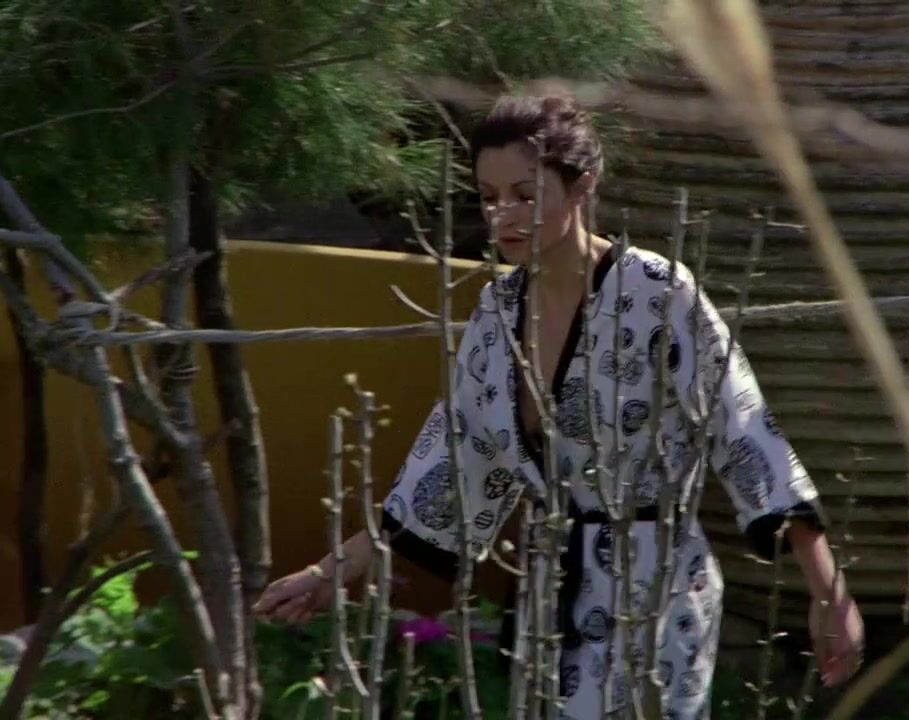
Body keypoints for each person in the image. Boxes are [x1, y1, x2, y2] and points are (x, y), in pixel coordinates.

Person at [253, 94, 864, 719]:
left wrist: (829, 594)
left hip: (659, 593)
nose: (504, 215)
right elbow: (451, 467)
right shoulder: (497, 313)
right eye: (489, 198)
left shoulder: (657, 293)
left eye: (526, 194)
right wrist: (328, 572)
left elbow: (747, 436)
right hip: (550, 599)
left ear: (582, 185)